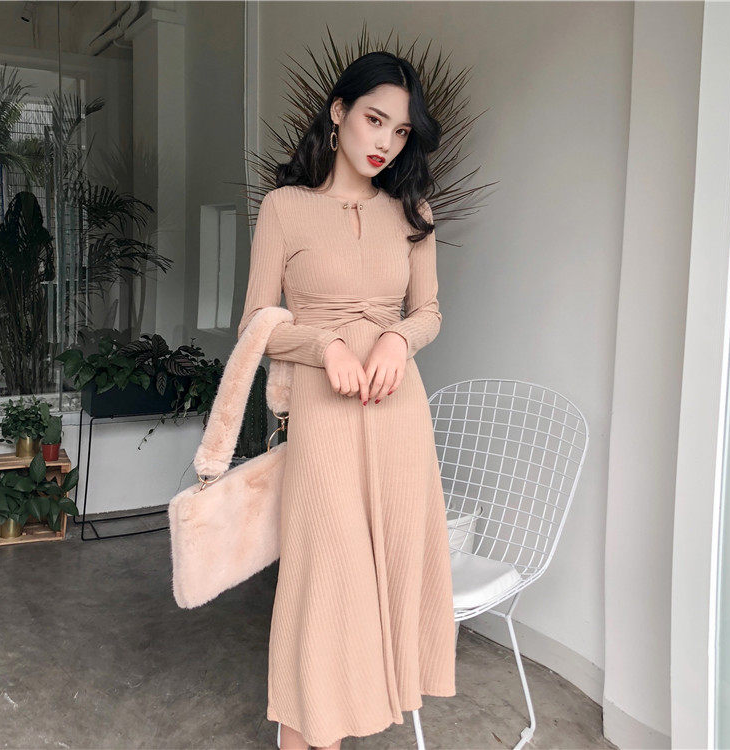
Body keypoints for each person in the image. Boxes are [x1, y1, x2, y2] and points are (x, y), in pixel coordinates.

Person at [237, 50, 456, 750]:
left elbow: (429, 311)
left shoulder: (413, 212)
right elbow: (256, 325)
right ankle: (305, 733)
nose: (385, 141)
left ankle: (349, 716)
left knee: (390, 569)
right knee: (325, 578)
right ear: (338, 112)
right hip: (323, 416)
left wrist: (396, 339)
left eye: (400, 130)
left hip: (397, 415)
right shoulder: (284, 208)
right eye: (374, 119)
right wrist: (324, 345)